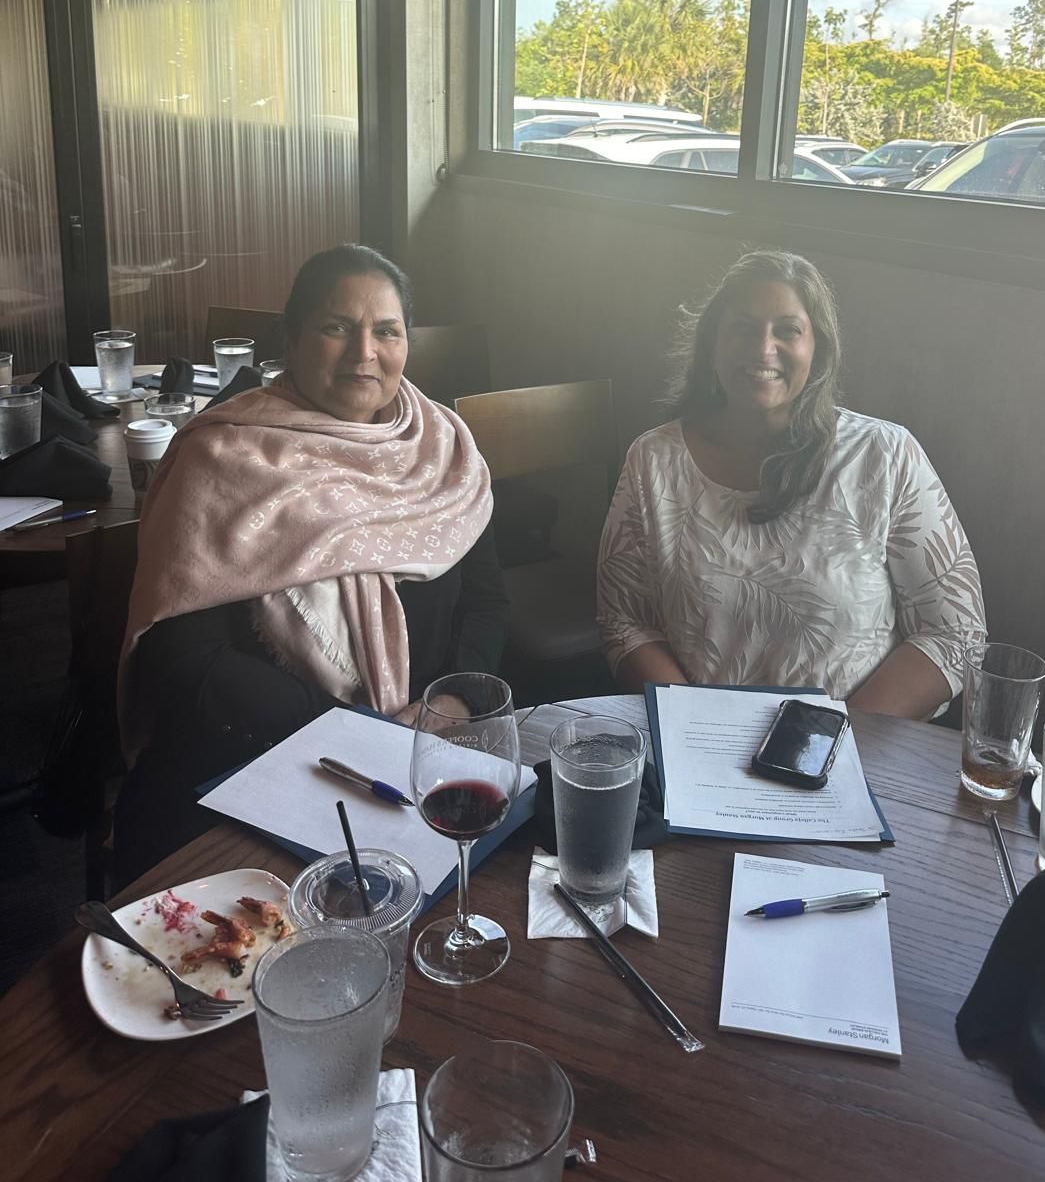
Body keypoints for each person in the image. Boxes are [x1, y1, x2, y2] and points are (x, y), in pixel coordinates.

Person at [113, 243, 506, 881]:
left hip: (419, 756)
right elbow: (182, 656)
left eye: (387, 331)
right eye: (336, 328)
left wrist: (454, 701)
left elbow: (487, 600)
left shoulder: (443, 452)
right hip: (246, 763)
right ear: (290, 341)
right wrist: (347, 733)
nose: (364, 353)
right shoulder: (221, 459)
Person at [596, 249, 985, 718]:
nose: (763, 349)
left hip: (859, 748)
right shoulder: (653, 460)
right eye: (743, 327)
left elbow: (955, 632)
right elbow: (625, 621)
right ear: (713, 344)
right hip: (700, 746)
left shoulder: (886, 456)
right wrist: (695, 727)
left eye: (787, 330)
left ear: (816, 347)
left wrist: (831, 737)